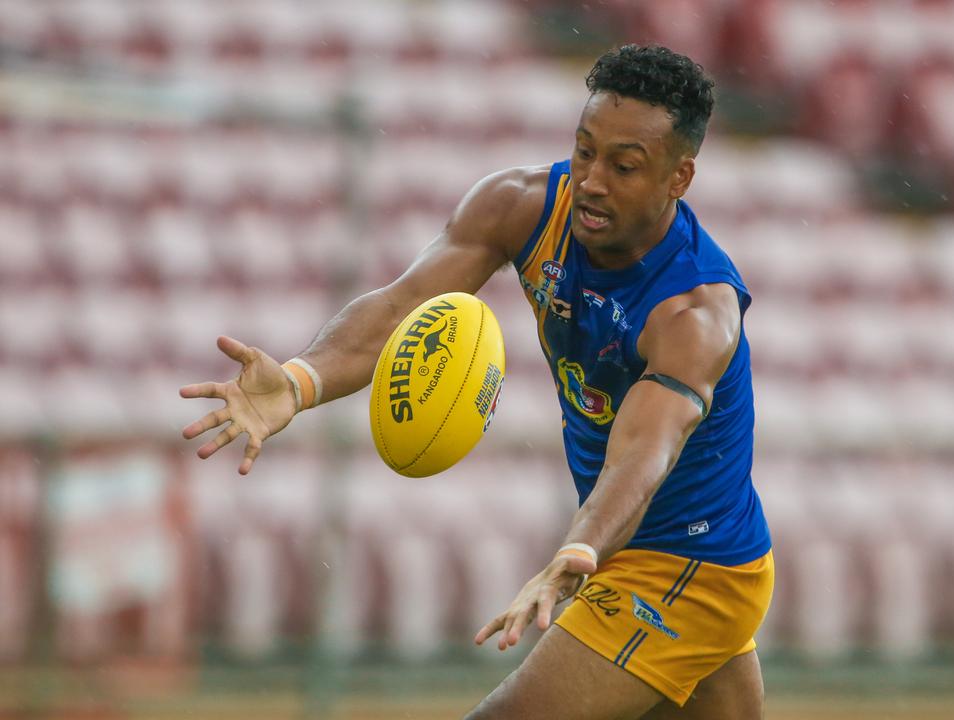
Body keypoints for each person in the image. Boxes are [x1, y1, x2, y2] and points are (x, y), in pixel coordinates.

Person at [179, 45, 773, 720]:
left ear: (679, 176)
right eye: (584, 152)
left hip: (688, 564)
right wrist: (299, 379)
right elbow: (404, 305)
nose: (592, 180)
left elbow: (646, 447)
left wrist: (578, 546)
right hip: (635, 552)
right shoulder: (522, 206)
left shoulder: (695, 309)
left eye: (624, 165)